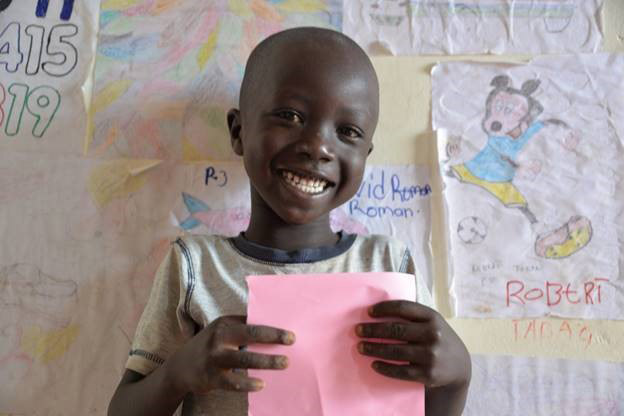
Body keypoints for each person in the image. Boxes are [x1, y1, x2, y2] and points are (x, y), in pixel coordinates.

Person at [108, 27, 471, 416]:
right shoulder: (195, 266)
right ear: (238, 131)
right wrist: (178, 374)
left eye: (348, 132)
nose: (317, 146)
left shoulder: (390, 265)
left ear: (366, 153)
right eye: (290, 116)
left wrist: (457, 378)